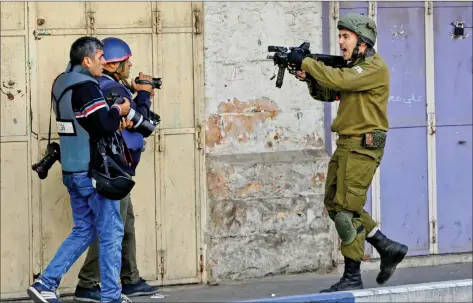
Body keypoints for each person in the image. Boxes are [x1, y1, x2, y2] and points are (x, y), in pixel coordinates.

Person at [287, 13, 409, 292]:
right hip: (347, 143)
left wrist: (306, 61)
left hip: (364, 145)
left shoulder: (373, 68)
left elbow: (339, 80)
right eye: (339, 36)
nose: (340, 41)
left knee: (346, 211)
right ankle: (386, 246)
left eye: (346, 36)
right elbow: (329, 93)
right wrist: (309, 78)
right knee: (334, 202)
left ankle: (352, 276)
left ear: (363, 42)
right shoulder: (353, 69)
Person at [26, 36, 134, 303]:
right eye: (100, 58)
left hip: (73, 171)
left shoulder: (61, 83)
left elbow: (79, 121)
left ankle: (46, 283)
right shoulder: (87, 87)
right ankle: (111, 296)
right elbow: (101, 126)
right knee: (111, 233)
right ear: (87, 60)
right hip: (92, 173)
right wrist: (119, 109)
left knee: (84, 229)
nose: (103, 63)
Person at [73, 37, 160, 302]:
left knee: (125, 223)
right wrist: (144, 94)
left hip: (116, 169)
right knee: (109, 226)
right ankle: (88, 284)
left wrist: (133, 91)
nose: (131, 64)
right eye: (126, 61)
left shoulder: (106, 86)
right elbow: (143, 123)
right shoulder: (111, 89)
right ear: (113, 64)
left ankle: (130, 278)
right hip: (113, 170)